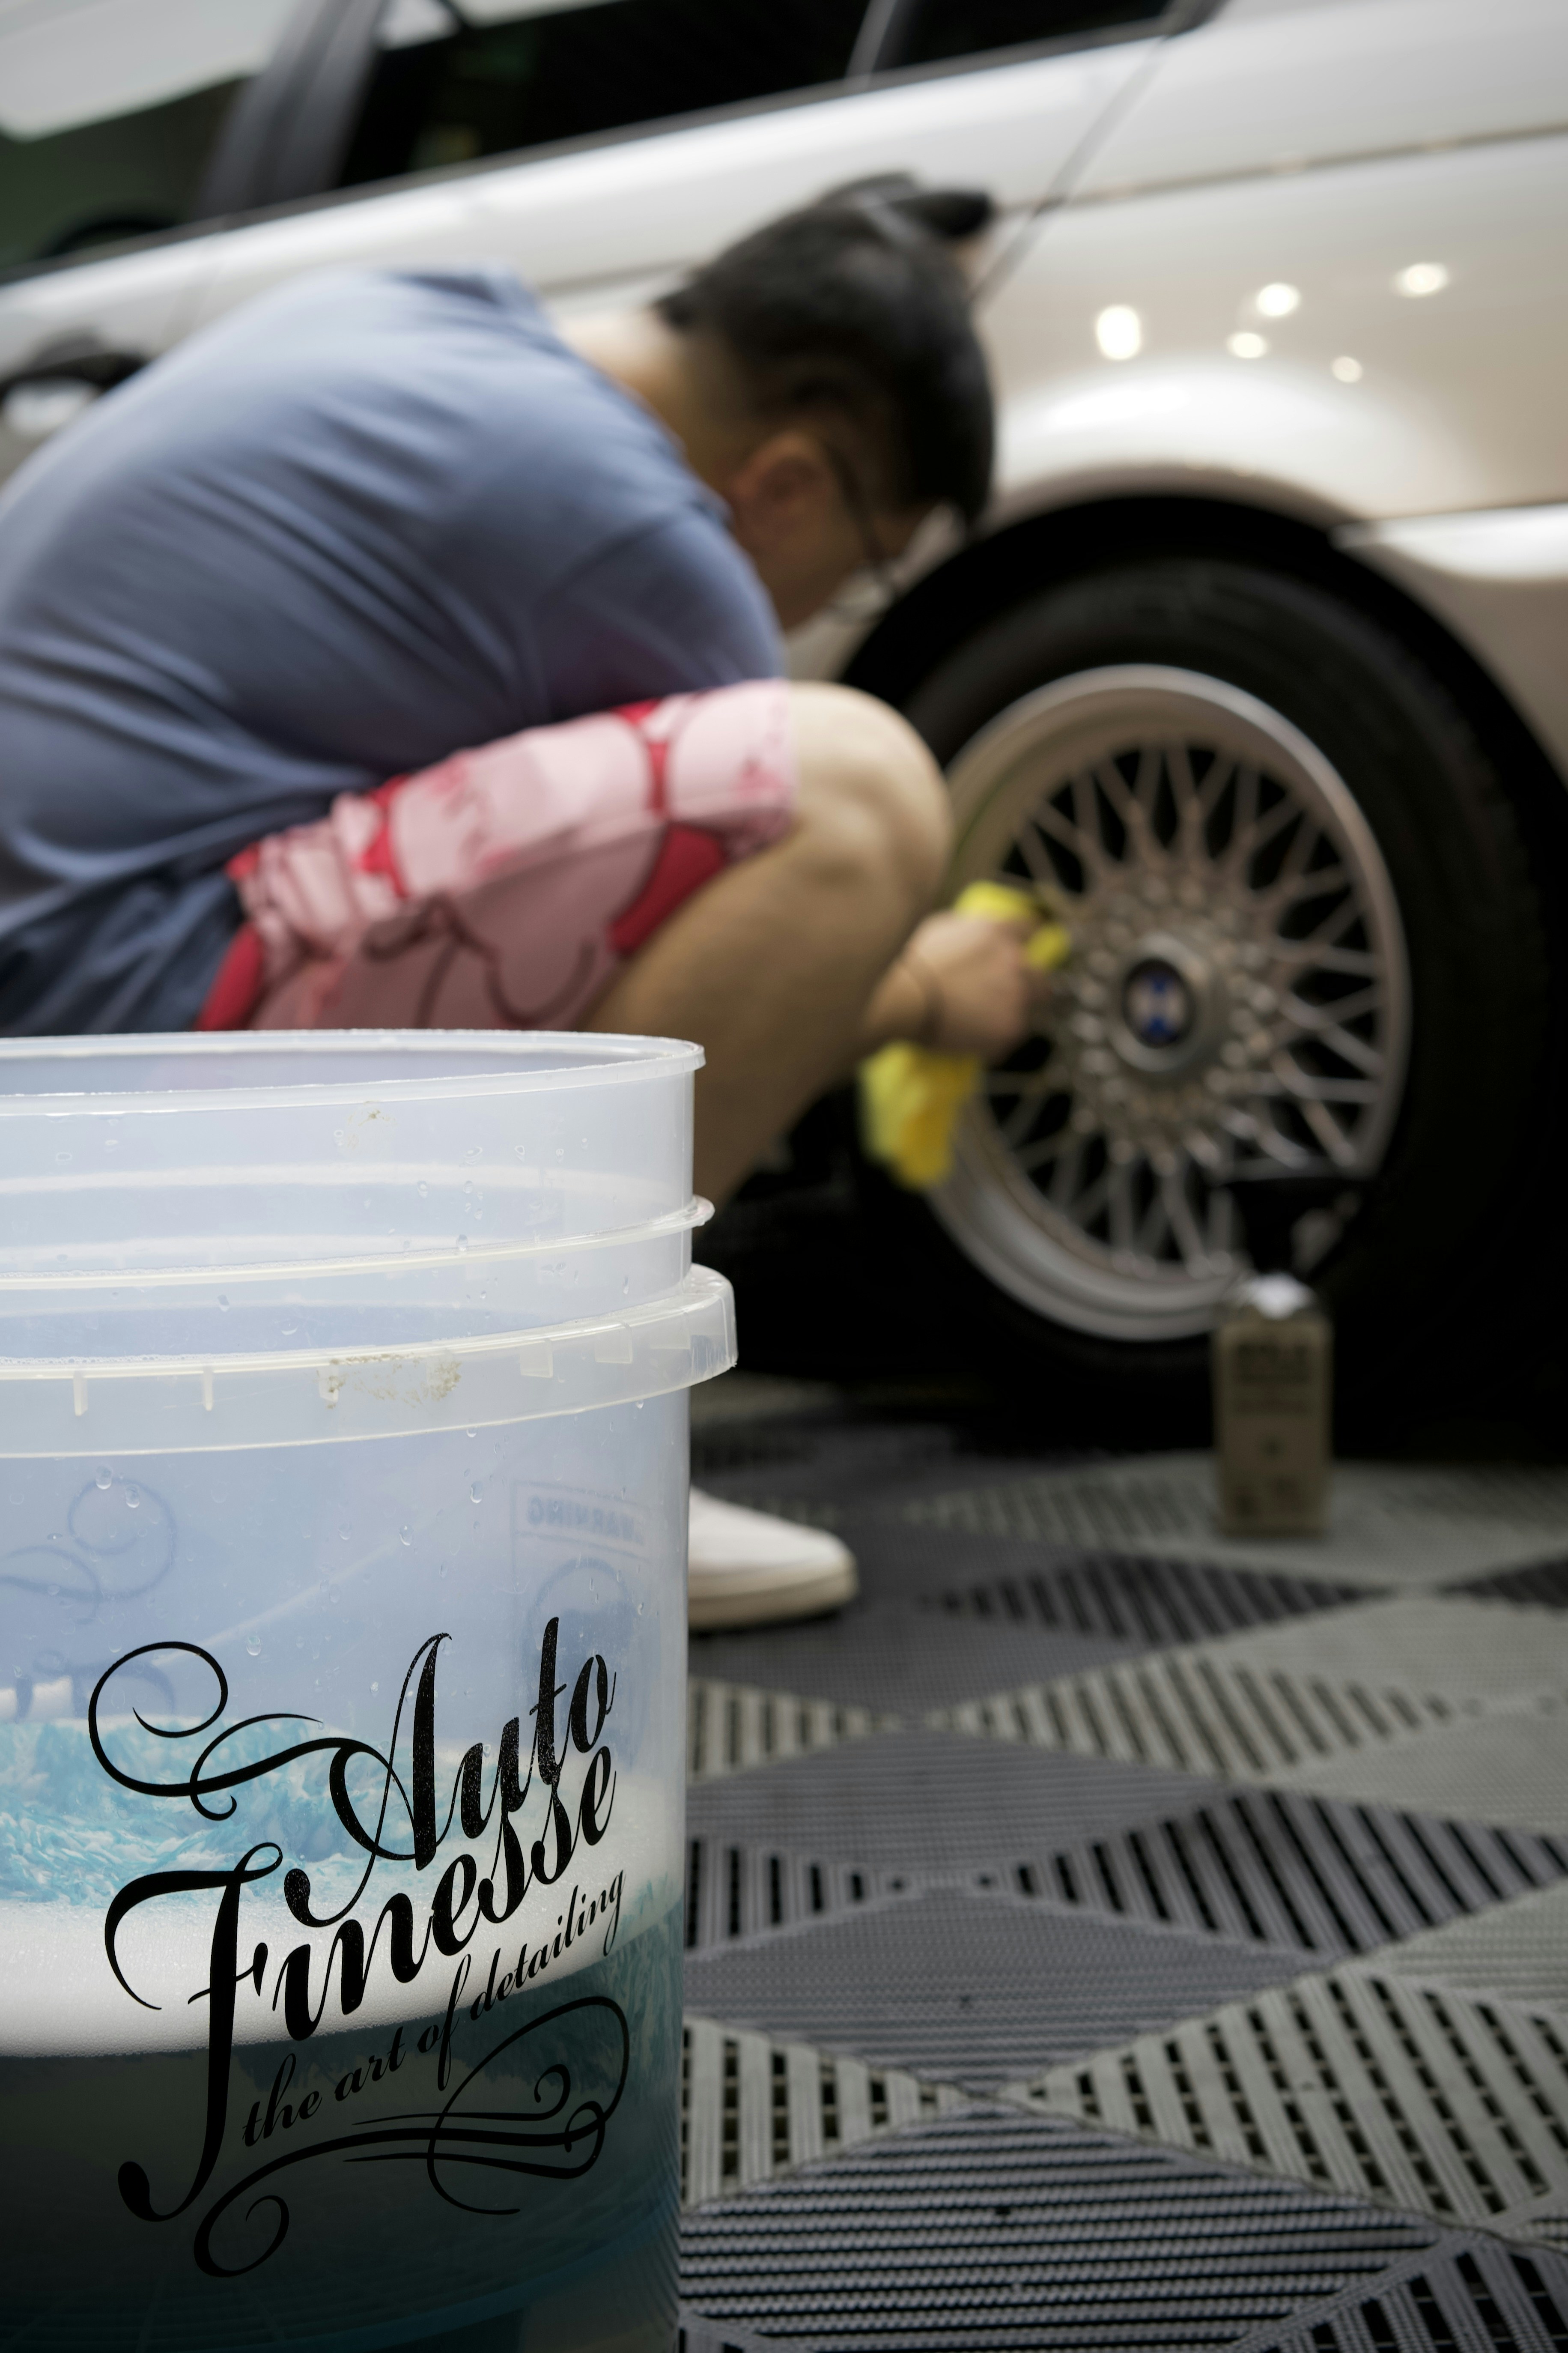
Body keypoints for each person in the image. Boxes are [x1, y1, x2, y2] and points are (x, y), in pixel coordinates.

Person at [0, 180, 1039, 1627]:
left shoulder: (420, 316)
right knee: (851, 792)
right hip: (118, 1040)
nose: (816, 607)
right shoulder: (636, 530)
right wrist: (930, 988)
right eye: (861, 561)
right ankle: (491, 1490)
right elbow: (766, 930)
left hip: (57, 1009)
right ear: (793, 479)